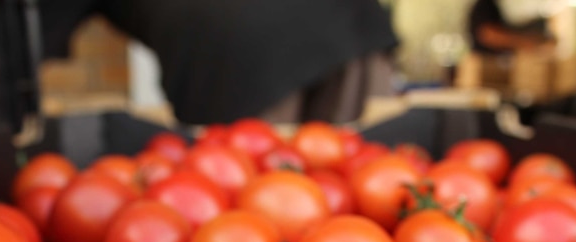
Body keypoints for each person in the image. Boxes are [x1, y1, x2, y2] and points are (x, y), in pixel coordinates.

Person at [39, 0, 399, 126]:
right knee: (366, 183)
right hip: (353, 22)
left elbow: (28, 44)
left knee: (259, 205)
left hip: (237, 51)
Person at [467, 0, 556, 56]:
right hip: (486, 64)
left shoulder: (494, 5)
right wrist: (524, 43)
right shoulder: (485, 4)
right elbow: (487, 35)